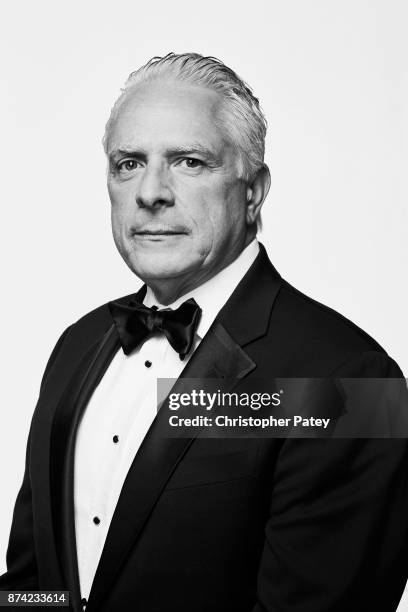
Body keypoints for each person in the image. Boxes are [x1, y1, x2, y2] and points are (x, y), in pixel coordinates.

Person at [1, 52, 407, 612]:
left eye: (189, 162)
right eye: (128, 163)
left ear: (253, 191)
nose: (151, 192)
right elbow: (35, 587)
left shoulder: (350, 378)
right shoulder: (76, 345)